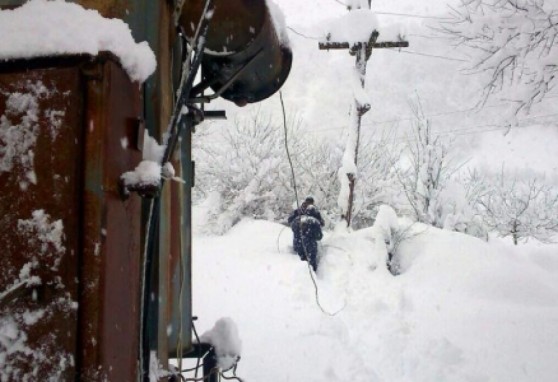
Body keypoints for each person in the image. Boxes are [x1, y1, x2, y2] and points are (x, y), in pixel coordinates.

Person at [287, 197, 324, 271]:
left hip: (298, 244)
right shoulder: (315, 219)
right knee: (312, 265)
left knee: (299, 265)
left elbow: (290, 222)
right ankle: (313, 277)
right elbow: (319, 236)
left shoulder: (297, 216)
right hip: (311, 247)